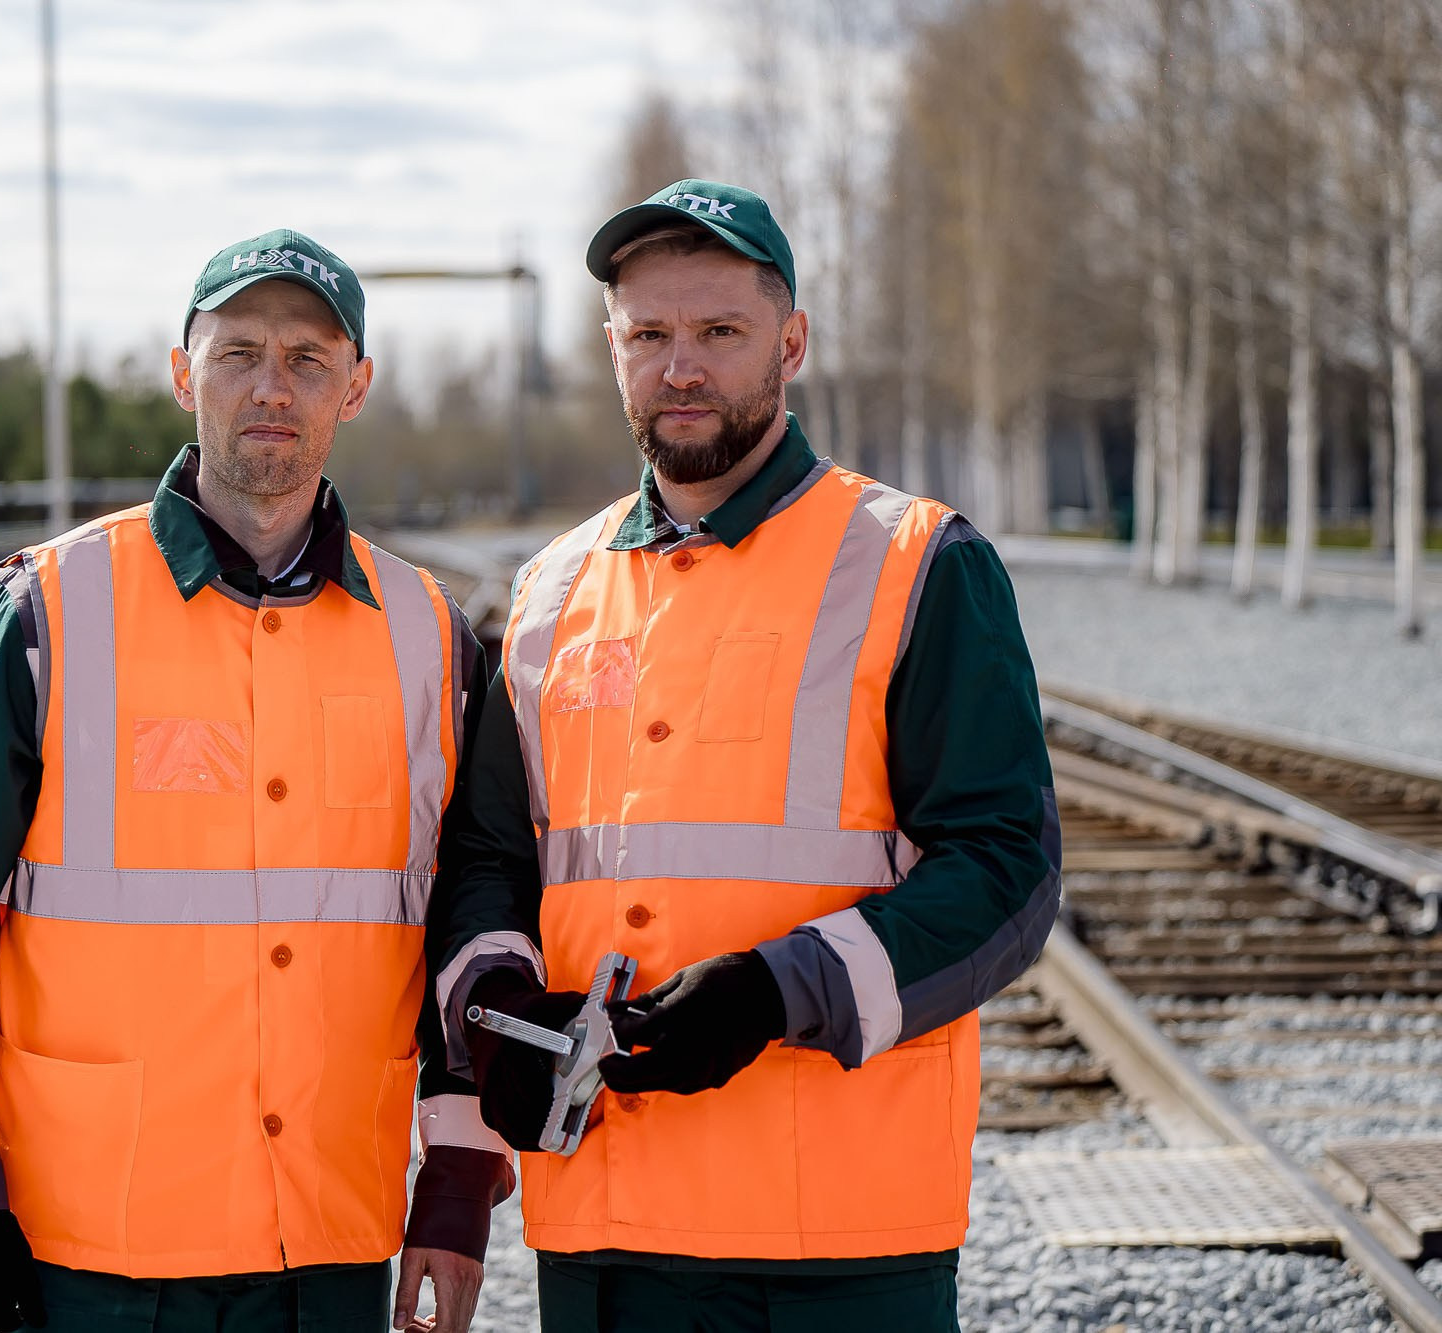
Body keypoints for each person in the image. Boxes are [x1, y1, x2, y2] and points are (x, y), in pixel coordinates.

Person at [433, 179, 1062, 1332]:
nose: (683, 367)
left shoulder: (918, 562)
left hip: (838, 1232)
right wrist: (491, 1003)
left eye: (719, 333)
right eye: (651, 335)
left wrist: (777, 989)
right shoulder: (547, 593)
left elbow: (1004, 871)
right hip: (603, 1226)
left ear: (791, 340)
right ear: (610, 348)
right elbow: (485, 856)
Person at [0, 229, 513, 1333]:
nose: (273, 386)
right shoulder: (44, 611)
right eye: (239, 352)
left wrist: (453, 1183)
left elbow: (469, 923)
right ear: (183, 372)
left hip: (324, 1242)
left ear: (354, 389)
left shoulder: (430, 640)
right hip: (87, 1242)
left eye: (309, 360)